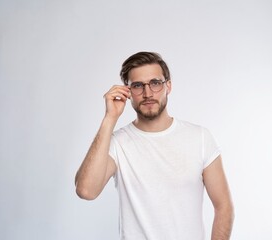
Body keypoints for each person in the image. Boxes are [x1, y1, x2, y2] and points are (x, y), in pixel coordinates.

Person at [75, 52, 234, 240]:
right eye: (137, 86)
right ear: (128, 92)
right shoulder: (117, 143)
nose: (148, 93)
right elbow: (86, 191)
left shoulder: (199, 137)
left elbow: (223, 206)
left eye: (155, 83)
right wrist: (110, 118)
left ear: (168, 86)